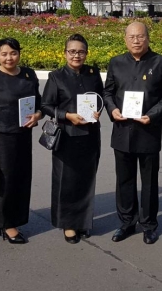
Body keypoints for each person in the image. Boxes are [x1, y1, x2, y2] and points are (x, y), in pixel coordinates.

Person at [104, 22, 162, 245]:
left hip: (148, 131)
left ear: (148, 38)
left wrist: (152, 115)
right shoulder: (116, 63)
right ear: (125, 39)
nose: (136, 41)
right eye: (132, 37)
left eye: (141, 36)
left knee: (149, 182)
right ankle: (126, 222)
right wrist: (113, 109)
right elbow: (107, 92)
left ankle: (149, 224)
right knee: (124, 180)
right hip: (122, 131)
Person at [0, 38, 43, 244]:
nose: (9, 58)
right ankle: (5, 223)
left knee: (21, 179)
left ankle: (16, 218)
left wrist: (38, 116)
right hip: (0, 137)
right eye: (4, 54)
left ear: (19, 53)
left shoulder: (28, 74)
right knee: (2, 181)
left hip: (23, 135)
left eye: (13, 53)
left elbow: (38, 103)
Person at [40, 34, 104, 244]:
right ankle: (68, 224)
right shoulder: (56, 77)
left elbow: (101, 99)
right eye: (72, 51)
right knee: (66, 181)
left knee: (86, 180)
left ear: (87, 53)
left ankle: (83, 221)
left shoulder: (93, 74)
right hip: (66, 136)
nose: (77, 55)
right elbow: (46, 105)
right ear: (65, 53)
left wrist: (98, 112)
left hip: (90, 135)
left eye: (81, 51)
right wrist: (67, 116)